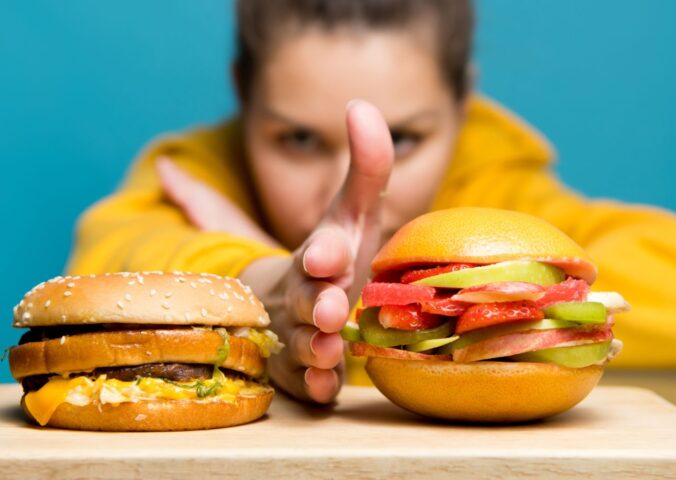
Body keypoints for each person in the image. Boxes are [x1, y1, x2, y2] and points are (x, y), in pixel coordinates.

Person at [67, 0, 676, 404]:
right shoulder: (194, 173)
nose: (345, 186)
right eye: (299, 139)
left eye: (404, 139)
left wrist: (419, 304)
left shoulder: (496, 182)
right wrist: (263, 286)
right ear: (243, 99)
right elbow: (107, 257)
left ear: (463, 104)